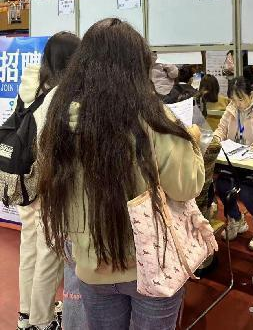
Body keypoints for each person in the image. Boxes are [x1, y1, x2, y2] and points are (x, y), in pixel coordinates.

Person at [37, 18, 205, 330]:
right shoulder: (153, 118)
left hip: (91, 264)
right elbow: (186, 186)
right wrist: (192, 141)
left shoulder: (59, 118)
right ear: (137, 66)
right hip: (153, 264)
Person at [17, 32, 81, 330]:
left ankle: (26, 314)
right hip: (48, 181)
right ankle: (41, 322)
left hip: (24, 178)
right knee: (49, 253)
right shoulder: (63, 95)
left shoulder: (31, 83)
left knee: (30, 248)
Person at [213, 77, 253, 252]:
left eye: (240, 99)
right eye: (234, 100)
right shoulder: (232, 108)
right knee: (222, 185)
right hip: (234, 159)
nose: (237, 104)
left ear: (251, 93)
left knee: (247, 192)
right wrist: (216, 138)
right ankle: (236, 219)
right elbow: (221, 129)